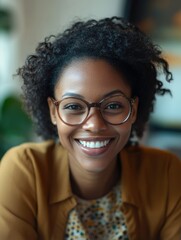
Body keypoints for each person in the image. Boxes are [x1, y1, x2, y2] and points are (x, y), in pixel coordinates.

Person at [0, 17, 180, 240]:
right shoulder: (25, 170)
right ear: (54, 112)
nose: (94, 124)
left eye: (113, 105)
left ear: (133, 109)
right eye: (74, 106)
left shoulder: (166, 172)